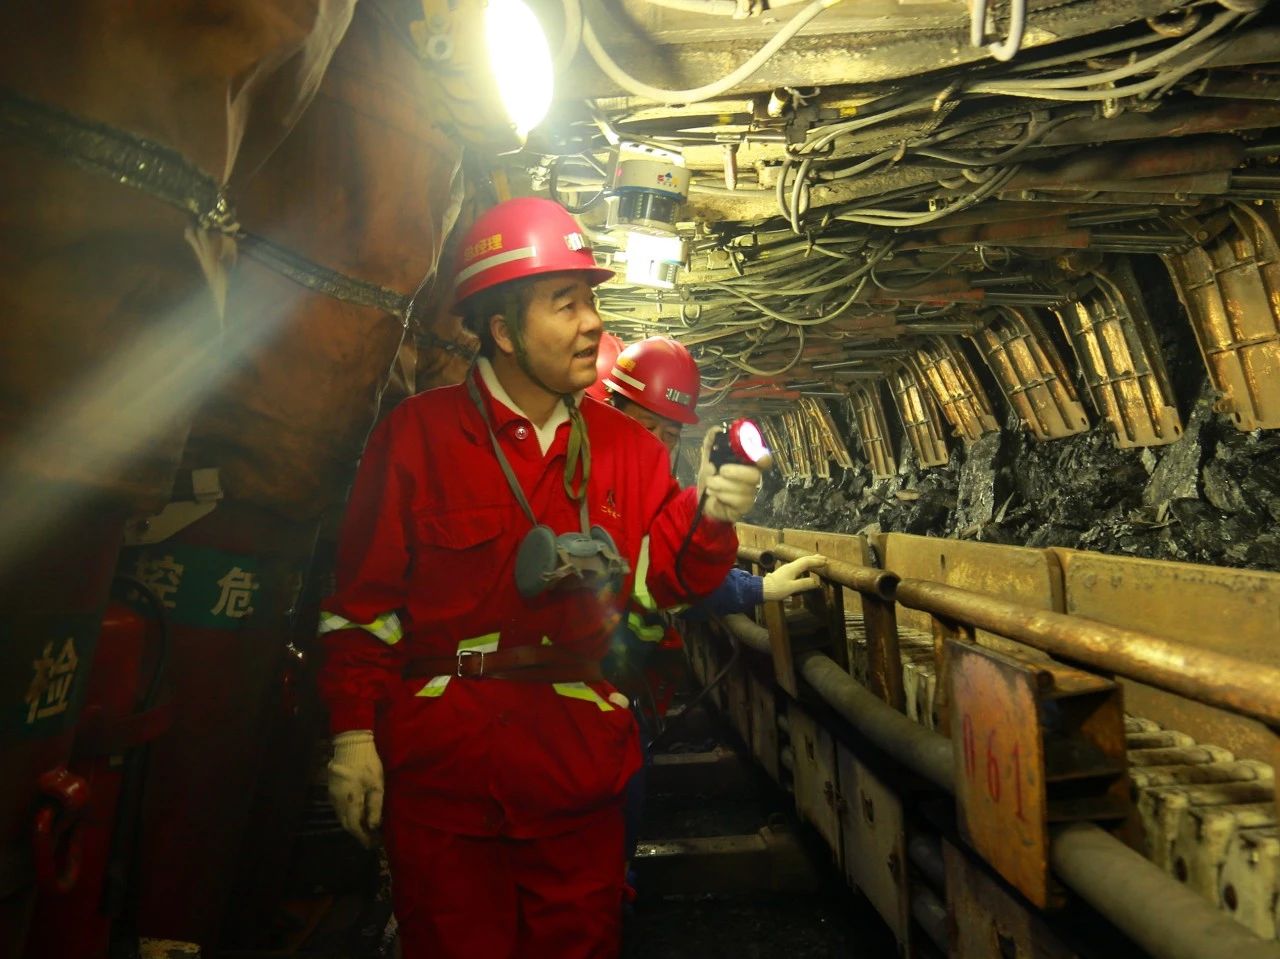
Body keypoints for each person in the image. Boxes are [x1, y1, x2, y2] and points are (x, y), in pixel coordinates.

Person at [315, 196, 763, 959]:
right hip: (446, 784)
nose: (593, 322)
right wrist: (354, 735)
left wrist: (712, 515)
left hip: (577, 781)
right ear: (503, 331)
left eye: (591, 300)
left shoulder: (630, 451)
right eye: (566, 303)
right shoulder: (418, 436)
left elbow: (662, 585)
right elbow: (363, 609)